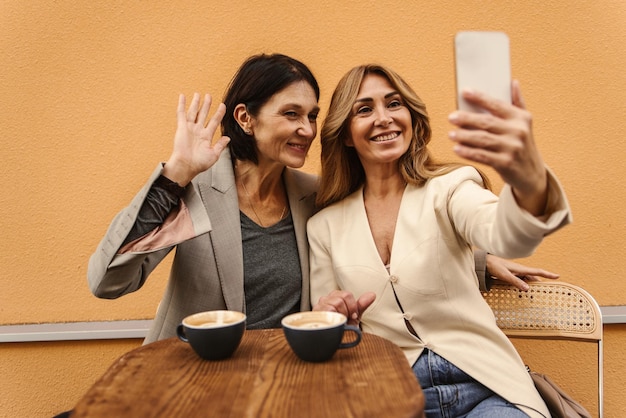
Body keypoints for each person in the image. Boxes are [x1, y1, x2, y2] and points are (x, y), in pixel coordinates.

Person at [87, 53, 559, 345]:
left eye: (312, 115)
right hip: (196, 377)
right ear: (245, 119)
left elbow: (383, 227)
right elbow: (109, 281)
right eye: (291, 114)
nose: (307, 130)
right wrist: (175, 175)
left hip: (292, 379)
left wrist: (480, 259)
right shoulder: (193, 193)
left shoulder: (314, 196)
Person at [307, 64, 572, 418]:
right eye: (365, 109)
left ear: (412, 118)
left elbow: (506, 235)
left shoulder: (451, 188)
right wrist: (339, 320)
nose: (384, 118)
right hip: (392, 399)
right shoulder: (323, 227)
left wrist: (527, 179)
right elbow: (327, 334)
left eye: (394, 104)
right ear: (346, 134)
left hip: (487, 389)